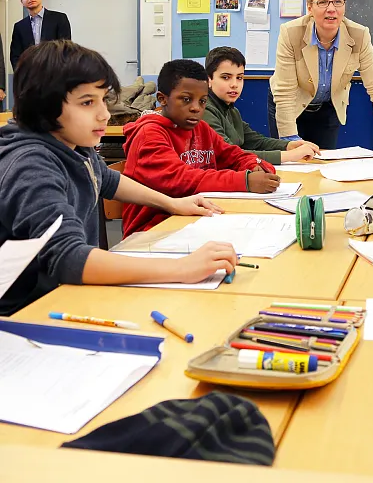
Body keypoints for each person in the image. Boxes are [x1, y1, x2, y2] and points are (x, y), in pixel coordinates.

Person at [0, 41, 236, 316]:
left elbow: (106, 179)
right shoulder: (30, 165)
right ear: (43, 104)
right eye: (88, 102)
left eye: (103, 99)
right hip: (26, 316)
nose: (105, 114)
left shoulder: (72, 143)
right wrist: (181, 268)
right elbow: (68, 258)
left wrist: (172, 204)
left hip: (68, 297)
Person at [121, 59, 280, 237]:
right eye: (186, 99)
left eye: (203, 101)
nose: (196, 108)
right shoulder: (149, 135)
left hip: (197, 219)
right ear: (162, 99)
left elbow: (234, 155)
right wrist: (245, 181)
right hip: (152, 231)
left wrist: (256, 166)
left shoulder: (200, 128)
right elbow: (181, 180)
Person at [269, 0, 373, 156]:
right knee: (294, 164)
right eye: (323, 2)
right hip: (290, 104)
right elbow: (284, 93)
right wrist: (291, 141)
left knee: (323, 165)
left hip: (327, 107)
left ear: (344, 6)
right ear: (310, 7)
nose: (331, 9)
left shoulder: (359, 35)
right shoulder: (290, 33)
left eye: (337, 2)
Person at [202, 47, 319, 165]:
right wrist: (289, 156)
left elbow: (256, 141)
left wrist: (289, 145)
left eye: (239, 78)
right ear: (208, 79)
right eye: (226, 77)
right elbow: (230, 155)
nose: (234, 85)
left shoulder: (232, 110)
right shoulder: (204, 111)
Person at [10, 0, 72, 70]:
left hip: (56, 73)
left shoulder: (59, 18)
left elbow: (66, 47)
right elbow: (15, 56)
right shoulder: (19, 26)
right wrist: (22, 74)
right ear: (22, 2)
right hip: (30, 76)